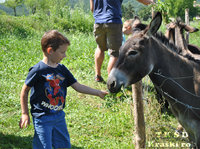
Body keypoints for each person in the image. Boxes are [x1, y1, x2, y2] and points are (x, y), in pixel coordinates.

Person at [19, 30, 108, 149]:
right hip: (42, 118)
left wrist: (97, 93)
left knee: (64, 145)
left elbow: (78, 86)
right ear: (50, 51)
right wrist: (25, 113)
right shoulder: (38, 70)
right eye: (62, 52)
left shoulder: (62, 69)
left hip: (59, 116)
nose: (65, 55)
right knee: (44, 146)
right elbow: (24, 91)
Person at [90, 0, 154, 82]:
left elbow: (92, 8)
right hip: (113, 21)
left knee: (100, 48)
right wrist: (152, 2)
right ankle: (111, 82)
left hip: (98, 22)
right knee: (114, 53)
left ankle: (98, 76)